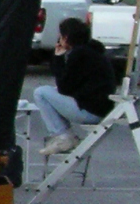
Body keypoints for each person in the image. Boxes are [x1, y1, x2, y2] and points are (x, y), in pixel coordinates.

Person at [37, 18, 116, 154]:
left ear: (66, 37)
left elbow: (64, 87)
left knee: (41, 92)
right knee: (49, 91)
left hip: (89, 111)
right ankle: (64, 136)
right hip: (100, 107)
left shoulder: (79, 55)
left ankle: (63, 136)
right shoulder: (94, 51)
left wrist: (58, 58)